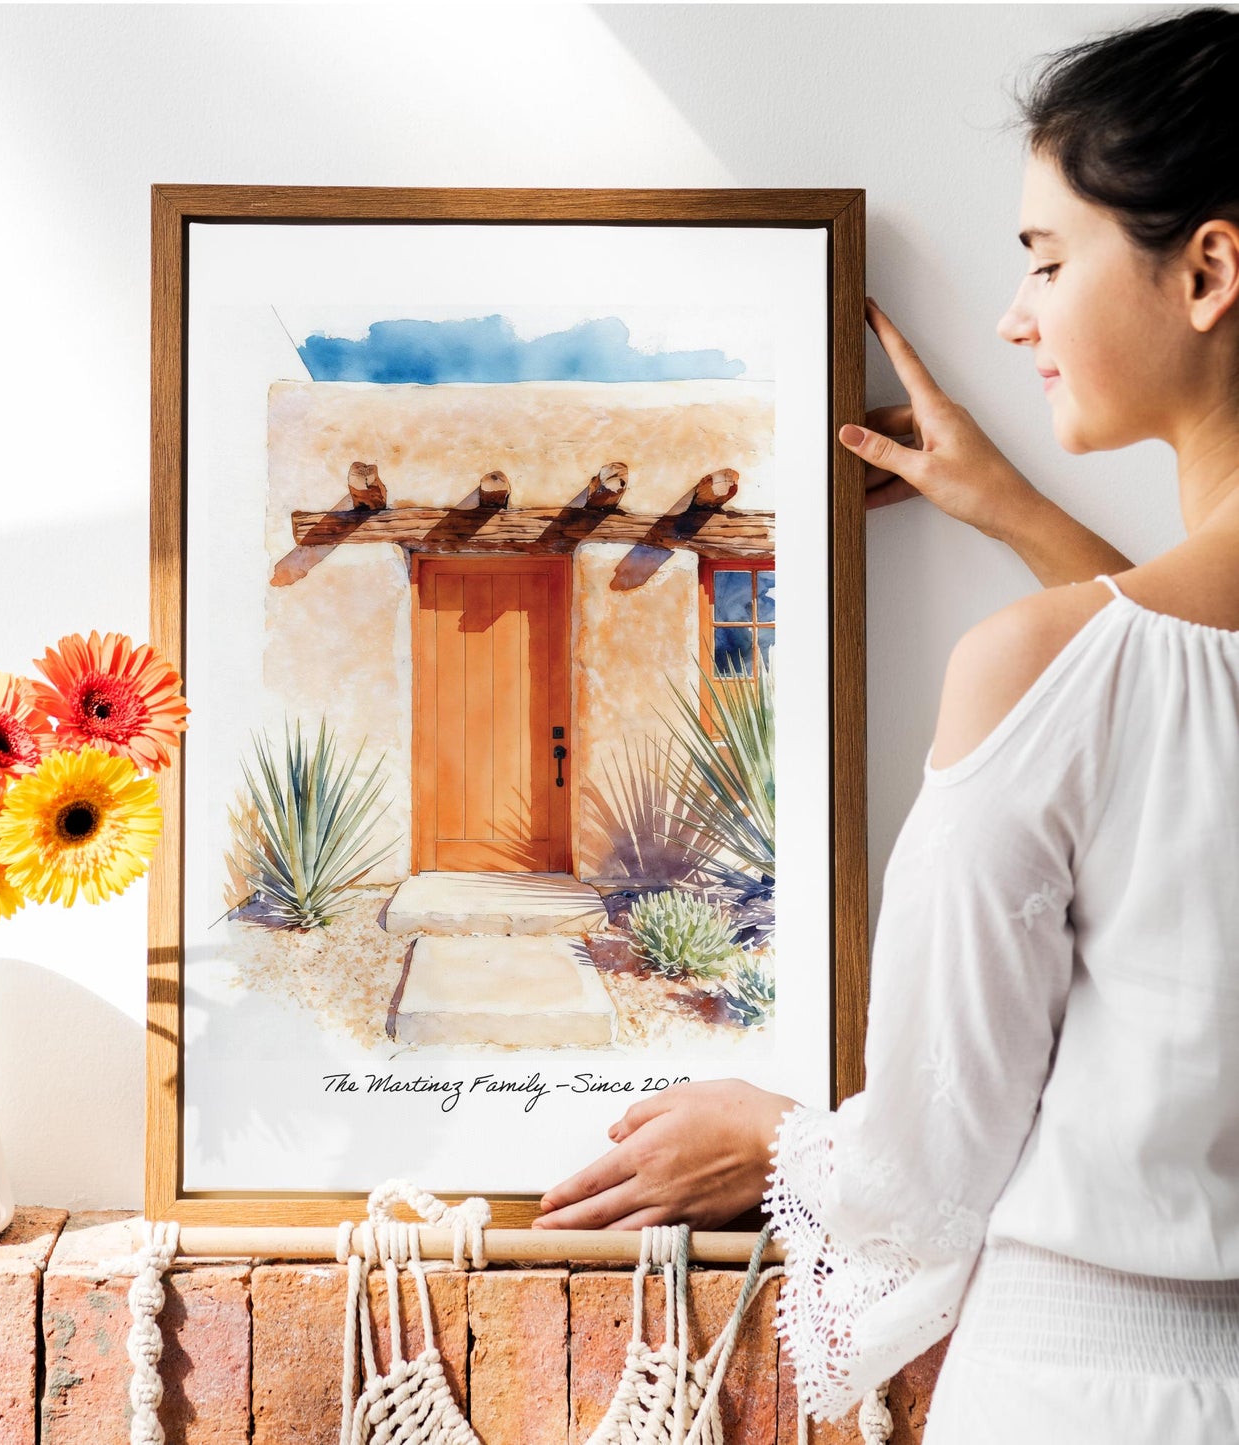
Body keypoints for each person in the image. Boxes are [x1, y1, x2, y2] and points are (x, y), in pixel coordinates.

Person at [533, 7, 1239, 1440]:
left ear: (1208, 268)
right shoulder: (1087, 668)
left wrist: (770, 1138)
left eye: (1046, 256)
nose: (1012, 316)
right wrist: (1033, 525)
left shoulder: (1038, 672)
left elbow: (922, 1165)